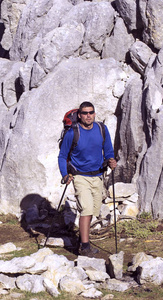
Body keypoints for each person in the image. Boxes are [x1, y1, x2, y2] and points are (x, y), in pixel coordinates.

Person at [58, 101, 117, 257]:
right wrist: (65, 174)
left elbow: (108, 149)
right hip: (80, 176)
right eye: (84, 113)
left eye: (91, 112)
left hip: (98, 176)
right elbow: (62, 156)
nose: (88, 115)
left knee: (93, 210)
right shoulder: (73, 133)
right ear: (79, 115)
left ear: (94, 114)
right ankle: (85, 247)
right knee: (86, 209)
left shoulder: (102, 129)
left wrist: (111, 159)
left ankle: (82, 240)